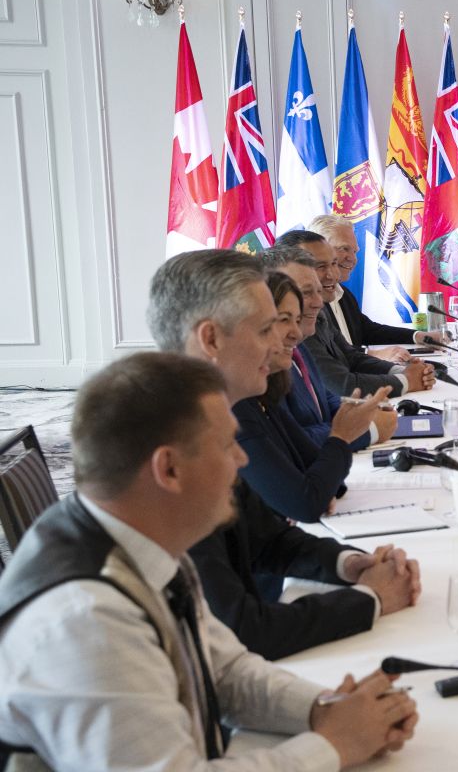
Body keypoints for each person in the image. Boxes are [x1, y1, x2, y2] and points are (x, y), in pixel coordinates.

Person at [0, 352, 418, 770]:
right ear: (169, 469)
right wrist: (334, 744)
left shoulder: (142, 538)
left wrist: (324, 707)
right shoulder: (86, 622)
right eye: (226, 445)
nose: (241, 460)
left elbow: (222, 669)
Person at [147, 249, 420, 660]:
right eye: (265, 329)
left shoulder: (208, 414)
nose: (282, 342)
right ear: (210, 339)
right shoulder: (168, 440)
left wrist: (352, 565)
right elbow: (242, 630)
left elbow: (265, 538)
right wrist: (371, 599)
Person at [232, 272, 386, 523]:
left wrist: (344, 563)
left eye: (296, 319)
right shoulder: (235, 405)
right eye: (281, 320)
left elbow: (331, 486)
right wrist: (342, 434)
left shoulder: (261, 394)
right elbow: (307, 503)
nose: (294, 332)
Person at [262, 244, 397, 453]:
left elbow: (325, 400)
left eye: (318, 291)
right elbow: (292, 440)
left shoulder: (299, 346)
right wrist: (368, 428)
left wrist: (364, 410)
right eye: (305, 293)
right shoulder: (263, 365)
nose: (319, 302)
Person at [274, 230, 437, 397]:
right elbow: (342, 386)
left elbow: (351, 357)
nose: (333, 275)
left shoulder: (319, 310)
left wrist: (403, 371)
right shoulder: (296, 326)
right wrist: (406, 380)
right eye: (320, 267)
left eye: (333, 264)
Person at [309, 214, 444, 361]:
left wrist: (418, 336)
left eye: (354, 251)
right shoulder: (307, 302)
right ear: (318, 250)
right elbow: (327, 353)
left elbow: (368, 330)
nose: (353, 259)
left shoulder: (343, 294)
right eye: (344, 248)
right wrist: (373, 354)